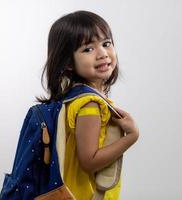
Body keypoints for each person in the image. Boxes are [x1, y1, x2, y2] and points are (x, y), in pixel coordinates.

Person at [36, 10, 139, 200]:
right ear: (68, 62)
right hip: (84, 195)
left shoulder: (74, 98)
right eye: (88, 49)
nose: (102, 54)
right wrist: (131, 137)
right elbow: (89, 161)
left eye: (106, 44)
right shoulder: (89, 105)